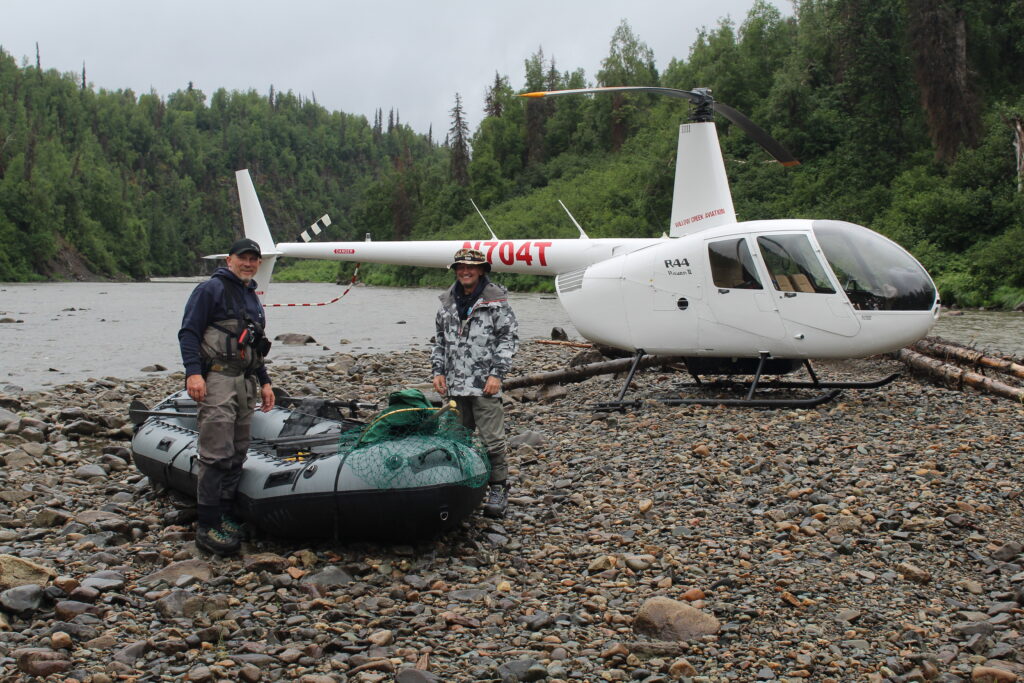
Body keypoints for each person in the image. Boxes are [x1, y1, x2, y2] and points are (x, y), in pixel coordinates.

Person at [178, 237, 275, 555]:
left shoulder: (252, 297)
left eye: (253, 259)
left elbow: (256, 346)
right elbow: (189, 331)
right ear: (229, 259)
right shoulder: (210, 289)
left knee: (237, 452)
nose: (248, 264)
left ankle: (226, 514)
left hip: (245, 381)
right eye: (242, 258)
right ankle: (207, 524)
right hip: (218, 377)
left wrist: (265, 382)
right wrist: (194, 373)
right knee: (216, 452)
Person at [431, 248, 519, 517]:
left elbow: (508, 340)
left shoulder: (497, 302)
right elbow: (439, 341)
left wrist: (497, 375)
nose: (465, 271)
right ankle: (461, 486)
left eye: (471, 267)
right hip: (455, 385)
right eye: (460, 267)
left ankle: (498, 489)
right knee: (456, 438)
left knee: (493, 441)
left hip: (484, 385)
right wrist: (438, 372)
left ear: (482, 270)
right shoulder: (446, 303)